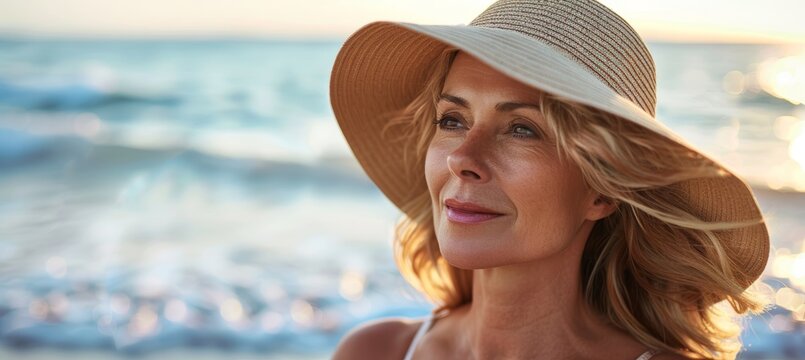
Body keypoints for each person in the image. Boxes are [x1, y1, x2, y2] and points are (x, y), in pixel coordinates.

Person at [328, 0, 770, 359]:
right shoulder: (374, 351)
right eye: (452, 120)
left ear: (602, 190)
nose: (462, 157)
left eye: (522, 129)